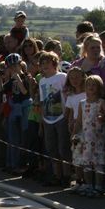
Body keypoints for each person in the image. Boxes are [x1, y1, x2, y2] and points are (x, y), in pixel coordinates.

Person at [72, 75, 105, 196]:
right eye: (88, 85)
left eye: (94, 85)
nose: (91, 87)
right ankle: (88, 185)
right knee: (86, 162)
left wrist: (104, 118)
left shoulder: (101, 102)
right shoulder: (82, 103)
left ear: (99, 87)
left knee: (98, 162)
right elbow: (79, 120)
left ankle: (99, 186)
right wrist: (74, 134)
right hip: (85, 138)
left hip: (98, 137)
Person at [38, 52, 69, 186]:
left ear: (54, 63)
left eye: (47, 62)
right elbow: (41, 101)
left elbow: (68, 95)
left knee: (63, 148)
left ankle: (67, 175)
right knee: (51, 148)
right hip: (48, 118)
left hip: (61, 117)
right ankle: (57, 175)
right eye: (42, 63)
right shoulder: (42, 81)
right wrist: (42, 121)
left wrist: (68, 115)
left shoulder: (62, 77)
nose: (44, 65)